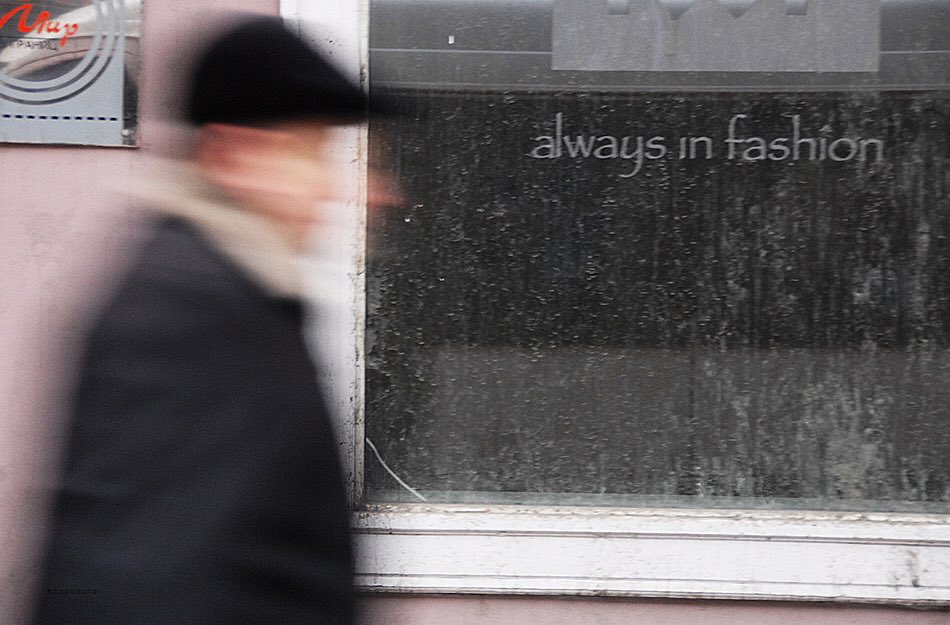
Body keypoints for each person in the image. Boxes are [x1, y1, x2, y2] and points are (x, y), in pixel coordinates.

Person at [30, 15, 389, 625]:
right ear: (231, 155)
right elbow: (135, 576)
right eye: (313, 153)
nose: (346, 190)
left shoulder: (234, 290)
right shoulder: (192, 310)